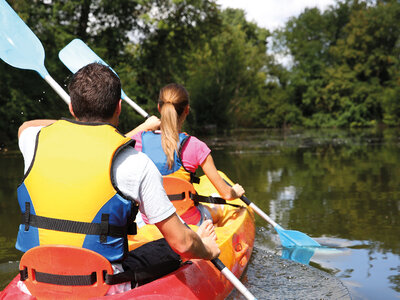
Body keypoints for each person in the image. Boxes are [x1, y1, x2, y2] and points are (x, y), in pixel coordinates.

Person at [16, 63, 220, 295]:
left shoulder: (32, 142)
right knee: (175, 244)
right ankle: (201, 238)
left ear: (72, 108)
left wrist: (71, 126)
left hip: (34, 277)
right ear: (119, 107)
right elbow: (182, 243)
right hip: (102, 285)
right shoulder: (136, 162)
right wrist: (208, 250)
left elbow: (26, 126)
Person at [127, 83, 245, 226]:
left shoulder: (139, 140)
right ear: (187, 110)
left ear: (159, 108)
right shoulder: (196, 146)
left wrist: (143, 126)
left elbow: (113, 148)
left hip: (149, 222)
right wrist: (235, 192)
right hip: (188, 222)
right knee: (219, 207)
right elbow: (226, 194)